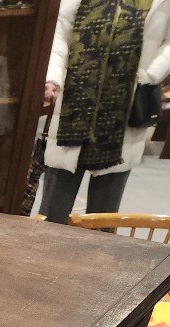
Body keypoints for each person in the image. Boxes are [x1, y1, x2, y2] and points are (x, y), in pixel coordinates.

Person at [40, 0, 170, 223]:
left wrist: (149, 75)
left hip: (124, 107)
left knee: (104, 216)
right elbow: (60, 31)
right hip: (74, 105)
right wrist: (52, 76)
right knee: (53, 210)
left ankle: (97, 256)